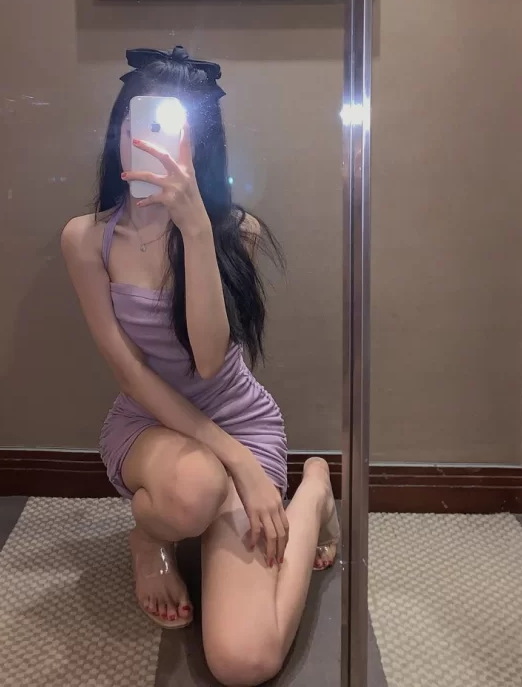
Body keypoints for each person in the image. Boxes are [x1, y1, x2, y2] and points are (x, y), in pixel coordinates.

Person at [62, 46, 339, 687]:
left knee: (245, 661)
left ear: (199, 145)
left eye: (169, 131)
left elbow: (210, 361)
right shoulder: (86, 239)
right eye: (135, 125)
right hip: (151, 425)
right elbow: (130, 374)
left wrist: (194, 231)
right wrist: (236, 464)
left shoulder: (234, 231)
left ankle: (316, 490)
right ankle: (150, 538)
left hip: (239, 418)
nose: (148, 143)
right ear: (119, 132)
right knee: (193, 491)